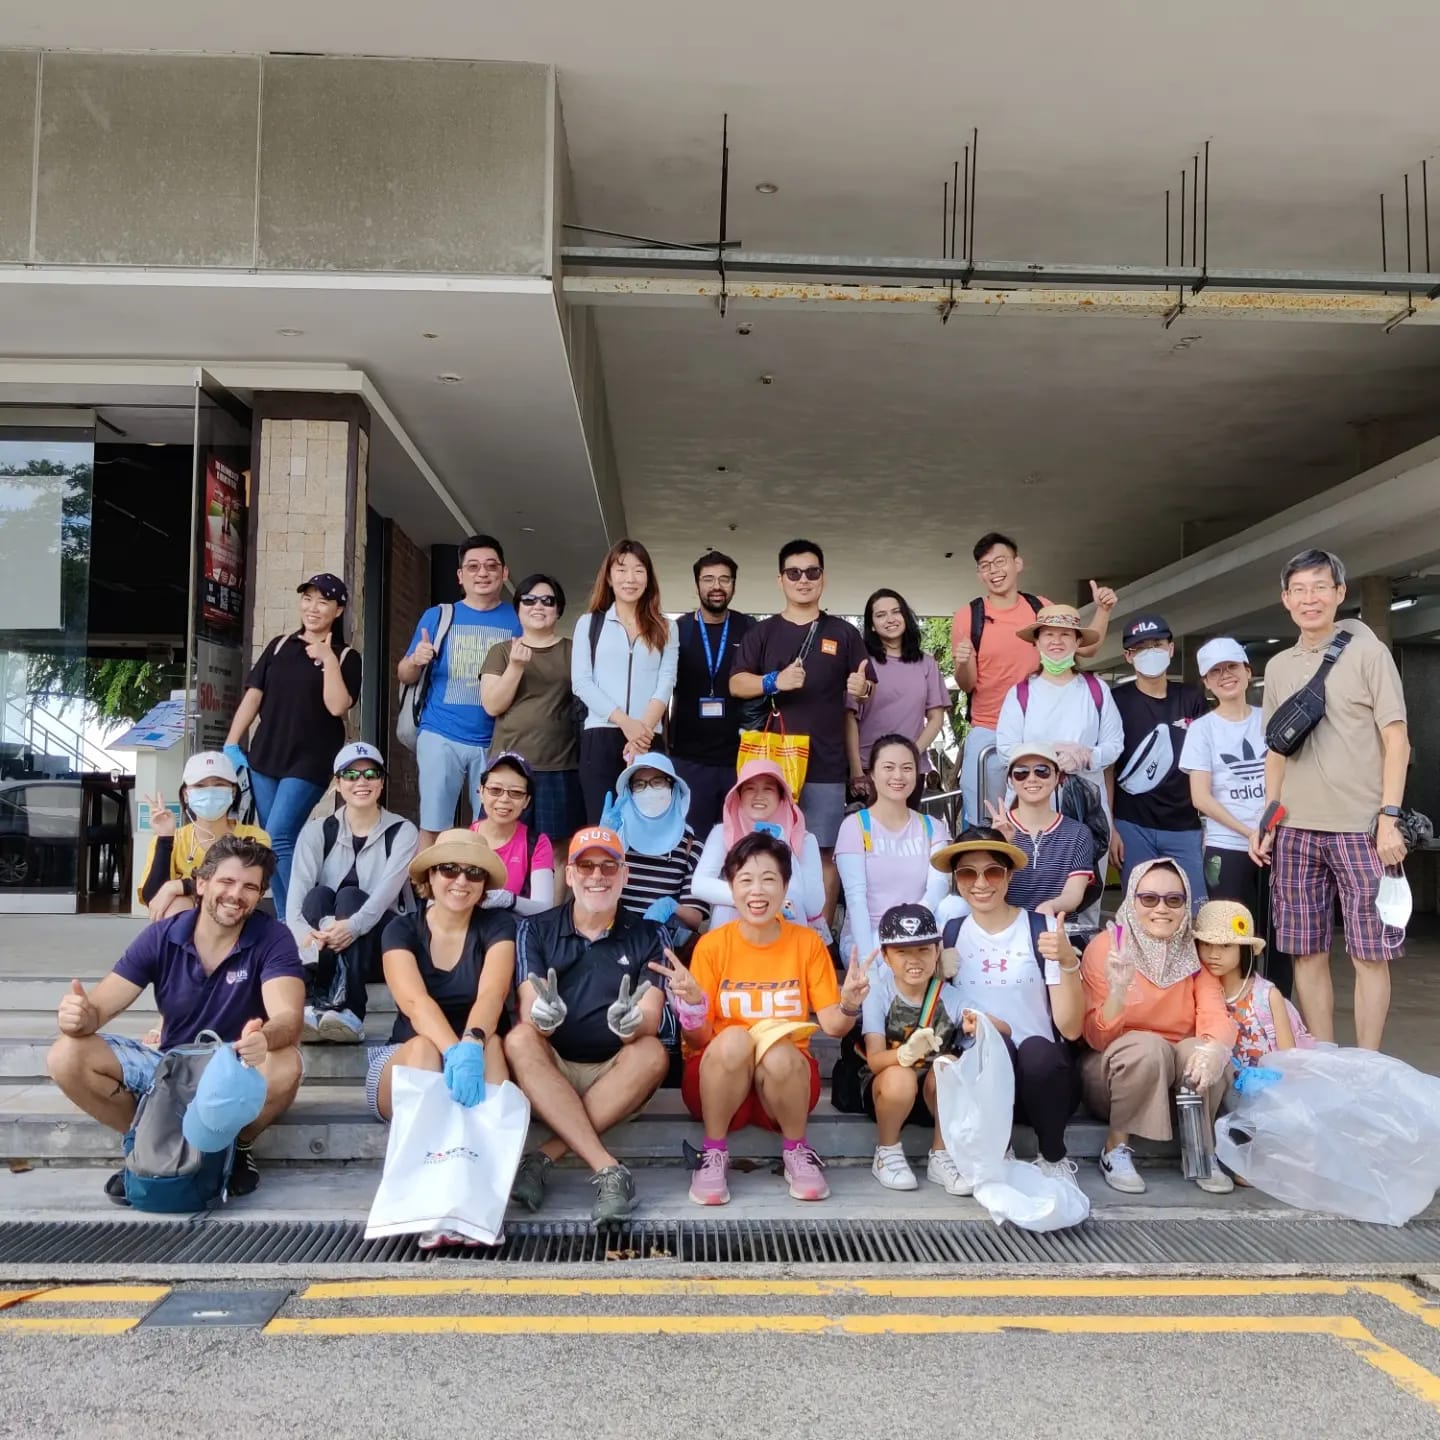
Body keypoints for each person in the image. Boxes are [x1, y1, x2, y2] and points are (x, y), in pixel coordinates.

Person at [46, 835, 304, 1203]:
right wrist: (78, 1017)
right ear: (202, 884)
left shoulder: (272, 937)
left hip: (234, 1063)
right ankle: (146, 1141)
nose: (236, 895)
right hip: (169, 1063)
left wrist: (264, 1038)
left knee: (285, 1062)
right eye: (226, 882)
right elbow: (98, 1011)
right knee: (65, 1055)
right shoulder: (162, 936)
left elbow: (288, 1019)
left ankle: (238, 1147)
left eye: (250, 887)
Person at [651, 832, 869, 1206]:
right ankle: (713, 1153)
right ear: (731, 888)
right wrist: (691, 1007)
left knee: (779, 1049)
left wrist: (849, 1004)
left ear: (785, 887)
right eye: (746, 880)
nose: (757, 890)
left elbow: (833, 1026)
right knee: (735, 1038)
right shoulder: (712, 945)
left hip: (784, 1091)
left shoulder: (807, 943)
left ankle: (797, 1151)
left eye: (769, 879)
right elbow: (701, 1040)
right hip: (718, 1086)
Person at [1252, 549, 1410, 1051]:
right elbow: (1276, 751)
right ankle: (1327, 1061)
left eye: (1320, 587)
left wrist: (1389, 817)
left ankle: (1367, 1062)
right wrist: (1270, 816)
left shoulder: (1370, 655)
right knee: (1305, 952)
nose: (1310, 598)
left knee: (1370, 953)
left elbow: (1397, 740)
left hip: (1362, 827)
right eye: (1299, 590)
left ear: (1340, 594)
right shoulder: (1277, 667)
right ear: (1285, 600)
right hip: (1297, 829)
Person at [504, 827, 670, 1226]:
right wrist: (544, 1016)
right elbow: (530, 1006)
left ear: (625, 875)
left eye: (608, 866)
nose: (597, 875)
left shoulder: (649, 933)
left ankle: (543, 1157)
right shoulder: (536, 928)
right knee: (521, 1038)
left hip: (615, 1072)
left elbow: (650, 1013)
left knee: (653, 1051)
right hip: (552, 1066)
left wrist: (631, 1025)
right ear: (570, 875)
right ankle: (608, 1169)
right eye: (586, 865)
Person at [366, 829, 514, 1250]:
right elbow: (414, 1002)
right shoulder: (400, 929)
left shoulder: (497, 925)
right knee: (427, 1045)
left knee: (494, 1044)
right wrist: (454, 1051)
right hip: (409, 1062)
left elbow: (492, 993)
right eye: (449, 869)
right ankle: (429, 1202)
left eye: (473, 873)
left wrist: (470, 1045)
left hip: (476, 1053)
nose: (461, 881)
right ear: (429, 876)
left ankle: (483, 1201)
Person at [731, 539, 873, 917]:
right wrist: (773, 681)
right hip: (770, 763)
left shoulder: (843, 632)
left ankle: (821, 935)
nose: (803, 579)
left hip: (825, 761)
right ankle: (766, 928)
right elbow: (736, 683)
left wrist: (862, 688)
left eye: (812, 572)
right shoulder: (762, 633)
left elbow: (867, 683)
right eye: (794, 573)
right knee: (763, 847)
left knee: (824, 849)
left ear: (823, 578)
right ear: (780, 580)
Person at [1079, 859, 1237, 1196]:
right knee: (1148, 1048)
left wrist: (1214, 1050)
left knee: (1203, 1051)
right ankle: (1115, 1149)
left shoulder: (1192, 952)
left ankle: (1200, 1152)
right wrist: (1119, 989)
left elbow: (1215, 1016)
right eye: (1149, 899)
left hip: (1174, 1082)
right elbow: (1095, 1035)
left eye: (1174, 900)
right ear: (1131, 901)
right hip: (1114, 1074)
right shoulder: (1109, 947)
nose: (1161, 908)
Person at [936, 828, 1084, 1183]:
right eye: (968, 873)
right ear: (957, 881)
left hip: (1042, 1079)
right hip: (981, 1079)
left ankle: (1053, 1157)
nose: (981, 883)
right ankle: (996, 1150)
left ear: (1009, 875)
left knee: (1035, 1049)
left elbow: (1071, 1027)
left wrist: (1067, 962)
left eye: (993, 871)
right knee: (992, 1041)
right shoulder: (949, 934)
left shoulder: (1042, 928)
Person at [952, 532, 1116, 828]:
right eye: (986, 565)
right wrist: (963, 662)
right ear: (979, 574)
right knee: (984, 821)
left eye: (1000, 561)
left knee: (1045, 820)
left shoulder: (1038, 606)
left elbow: (1085, 648)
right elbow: (967, 684)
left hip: (1040, 730)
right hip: (990, 731)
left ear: (1018, 563)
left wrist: (1103, 611)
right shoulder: (969, 616)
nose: (994, 571)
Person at [225, 572, 362, 915]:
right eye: (308, 599)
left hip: (311, 759)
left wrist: (328, 658)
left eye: (323, 601)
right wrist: (231, 745)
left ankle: (294, 917)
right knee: (274, 842)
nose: (313, 608)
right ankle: (292, 917)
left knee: (280, 835)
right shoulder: (279, 645)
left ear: (338, 609)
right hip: (266, 755)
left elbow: (337, 706)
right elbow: (253, 696)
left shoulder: (347, 657)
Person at [287, 742, 418, 1043]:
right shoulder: (316, 831)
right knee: (318, 897)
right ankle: (322, 1006)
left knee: (351, 898)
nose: (362, 782)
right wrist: (314, 935)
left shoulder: (403, 831)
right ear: (337, 783)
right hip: (323, 944)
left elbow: (384, 896)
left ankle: (349, 1010)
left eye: (371, 774)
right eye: (351, 775)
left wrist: (352, 926)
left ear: (382, 782)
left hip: (381, 941)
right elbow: (295, 908)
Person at [397, 534, 522, 847]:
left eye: (491, 566)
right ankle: (427, 894)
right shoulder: (439, 616)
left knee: (492, 828)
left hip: (496, 739)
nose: (483, 573)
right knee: (433, 825)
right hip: (441, 732)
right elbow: (404, 672)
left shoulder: (518, 620)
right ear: (460, 575)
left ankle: (485, 895)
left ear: (504, 573)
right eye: (474, 566)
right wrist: (416, 659)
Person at [845, 903, 970, 1194]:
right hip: (887, 1092)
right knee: (899, 1075)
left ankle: (941, 1154)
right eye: (902, 952)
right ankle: (887, 1151)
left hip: (932, 1097)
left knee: (948, 1064)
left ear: (937, 951)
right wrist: (904, 1054)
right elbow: (875, 1060)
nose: (914, 960)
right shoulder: (879, 994)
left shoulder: (949, 997)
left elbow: (1002, 1028)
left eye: (923, 950)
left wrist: (978, 1023)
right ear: (886, 956)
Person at [1179, 639, 1281, 990]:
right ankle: (1233, 1012)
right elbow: (1200, 798)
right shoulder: (1201, 730)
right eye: (1215, 671)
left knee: (1278, 939)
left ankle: (1276, 1011)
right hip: (1227, 849)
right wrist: (1248, 831)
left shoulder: (1269, 720)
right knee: (1230, 939)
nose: (1225, 676)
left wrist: (1267, 830)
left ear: (1248, 671)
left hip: (1274, 844)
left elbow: (1285, 781)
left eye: (1232, 667)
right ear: (1206, 682)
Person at [571, 539, 679, 825]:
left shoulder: (666, 627)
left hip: (648, 737)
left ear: (649, 578)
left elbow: (666, 680)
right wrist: (626, 723)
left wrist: (642, 730)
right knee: (603, 824)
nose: (630, 578)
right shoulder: (589, 623)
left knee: (648, 823)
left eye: (638, 570)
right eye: (621, 570)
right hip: (601, 735)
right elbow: (581, 682)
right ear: (608, 576)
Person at [479, 572, 584, 854]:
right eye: (529, 600)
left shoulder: (574, 651)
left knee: (559, 848)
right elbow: (492, 705)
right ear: (518, 608)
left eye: (547, 601)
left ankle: (552, 902)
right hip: (508, 767)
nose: (538, 606)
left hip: (559, 765)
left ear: (558, 609)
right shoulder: (501, 651)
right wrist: (515, 666)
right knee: (497, 842)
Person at [1108, 613, 1208, 906]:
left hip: (1184, 825)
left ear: (1171, 649)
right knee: (1141, 909)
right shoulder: (1116, 701)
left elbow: (1205, 762)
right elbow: (1109, 767)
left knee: (1192, 909)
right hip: (1132, 825)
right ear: (1128, 656)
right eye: (1140, 648)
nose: (1150, 652)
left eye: (1157, 644)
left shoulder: (1191, 697)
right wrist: (1112, 826)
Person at [995, 604, 1123, 825]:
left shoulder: (1096, 689)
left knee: (1085, 858)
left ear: (1078, 641)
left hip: (1088, 807)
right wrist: (1051, 752)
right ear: (1036, 641)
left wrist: (1086, 756)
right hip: (1030, 808)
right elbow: (1006, 750)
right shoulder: (1020, 693)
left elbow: (1115, 744)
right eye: (1048, 634)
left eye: (1065, 634)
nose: (1057, 641)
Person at [834, 734, 952, 957]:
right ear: (872, 774)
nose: (898, 776)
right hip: (871, 937)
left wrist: (912, 923)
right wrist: (868, 967)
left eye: (907, 768)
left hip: (919, 930)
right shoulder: (855, 826)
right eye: (888, 767)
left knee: (956, 907)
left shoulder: (932, 827)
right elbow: (856, 900)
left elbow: (939, 886)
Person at [668, 551, 757, 837]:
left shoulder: (750, 629)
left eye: (724, 579)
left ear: (733, 585)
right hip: (688, 759)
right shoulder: (677, 630)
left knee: (739, 840)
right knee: (692, 840)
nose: (716, 586)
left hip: (739, 758)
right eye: (708, 579)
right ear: (697, 586)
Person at [691, 759, 827, 933]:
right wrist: (751, 898)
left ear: (781, 797)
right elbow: (699, 885)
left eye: (768, 789)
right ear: (738, 795)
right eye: (750, 788)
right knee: (725, 908)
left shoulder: (804, 840)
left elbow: (812, 906)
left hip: (787, 932)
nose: (758, 796)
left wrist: (784, 848)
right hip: (734, 932)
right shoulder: (724, 832)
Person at [138, 751, 270, 920]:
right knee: (174, 906)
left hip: (236, 916)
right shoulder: (173, 838)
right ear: (186, 794)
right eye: (200, 785)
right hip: (186, 924)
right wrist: (165, 838)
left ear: (233, 791)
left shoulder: (255, 837)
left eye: (218, 784)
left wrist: (177, 885)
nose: (210, 791)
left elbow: (239, 886)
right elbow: (154, 899)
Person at [847, 588, 948, 793]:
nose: (890, 619)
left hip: (912, 768)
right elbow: (849, 719)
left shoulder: (927, 664)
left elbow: (936, 718)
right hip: (869, 769)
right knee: (866, 826)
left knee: (909, 825)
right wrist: (856, 770)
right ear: (872, 626)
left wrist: (911, 754)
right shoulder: (862, 663)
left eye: (896, 612)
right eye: (881, 615)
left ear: (905, 617)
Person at [1193, 900, 1311, 1073]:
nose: (1213, 954)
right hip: (1215, 1088)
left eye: (1226, 945)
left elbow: (1288, 1060)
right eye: (1206, 944)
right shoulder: (1194, 991)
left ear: (1244, 948)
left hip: (1264, 1090)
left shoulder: (1267, 996)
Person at [984, 742, 1094, 917]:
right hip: (1004, 929)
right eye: (1021, 773)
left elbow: (1074, 894)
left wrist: (1051, 906)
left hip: (1056, 930)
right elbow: (986, 891)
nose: (1032, 778)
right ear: (1010, 781)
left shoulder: (1078, 833)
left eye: (1042, 771)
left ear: (1058, 777)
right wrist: (1002, 846)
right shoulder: (991, 830)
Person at [605, 753, 708, 934]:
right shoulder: (618, 838)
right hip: (613, 940)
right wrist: (603, 839)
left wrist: (670, 907)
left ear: (673, 787)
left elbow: (695, 918)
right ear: (629, 792)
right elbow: (591, 894)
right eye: (639, 785)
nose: (649, 791)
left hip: (661, 943)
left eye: (657, 781)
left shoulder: (692, 846)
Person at [468, 752, 555, 916]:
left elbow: (544, 908)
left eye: (515, 792)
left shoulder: (537, 843)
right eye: (495, 790)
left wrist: (510, 900)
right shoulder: (464, 839)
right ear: (481, 792)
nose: (504, 799)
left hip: (515, 933)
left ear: (527, 801)